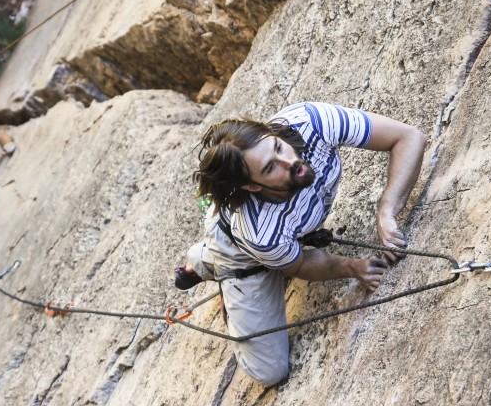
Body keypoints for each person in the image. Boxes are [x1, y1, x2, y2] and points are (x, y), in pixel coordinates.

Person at [176, 101, 427, 387]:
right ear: (253, 186)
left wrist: (388, 211)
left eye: (279, 147)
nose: (289, 162)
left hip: (279, 234)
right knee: (269, 372)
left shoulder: (310, 122)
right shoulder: (260, 232)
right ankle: (209, 261)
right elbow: (298, 266)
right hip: (238, 248)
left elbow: (409, 137)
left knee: (280, 246)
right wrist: (351, 266)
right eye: (271, 168)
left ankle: (214, 254)